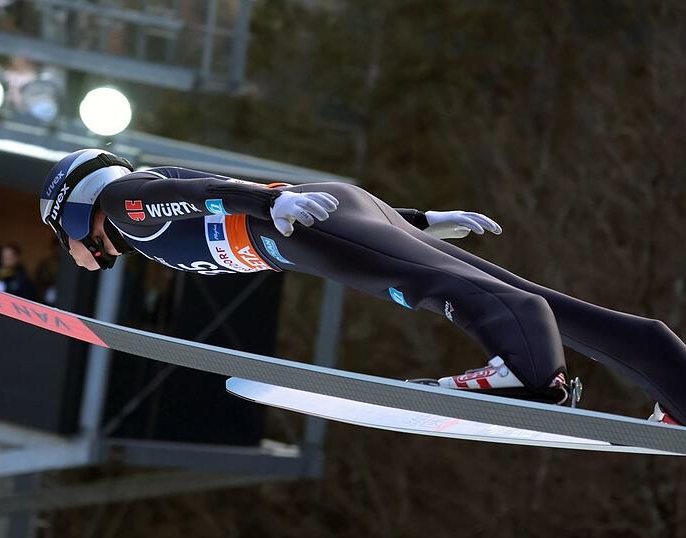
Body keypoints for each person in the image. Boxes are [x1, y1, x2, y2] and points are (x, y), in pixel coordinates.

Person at [38, 148, 686, 428]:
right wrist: (417, 219)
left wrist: (278, 203)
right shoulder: (138, 212)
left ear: (71, 210)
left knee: (432, 285)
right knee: (507, 292)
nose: (66, 250)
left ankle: (527, 373)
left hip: (298, 228)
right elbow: (211, 192)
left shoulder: (125, 204)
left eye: (57, 234)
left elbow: (196, 194)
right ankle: (669, 373)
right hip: (329, 214)